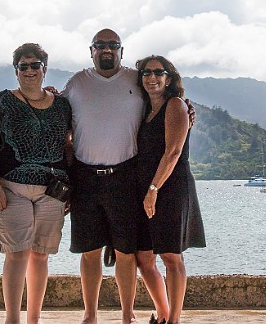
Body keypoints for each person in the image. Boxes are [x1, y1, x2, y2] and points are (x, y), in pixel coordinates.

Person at [62, 28, 193, 324]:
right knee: (92, 252)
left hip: (127, 179)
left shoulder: (133, 79)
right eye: (100, 45)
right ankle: (91, 316)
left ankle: (128, 317)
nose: (106, 49)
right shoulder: (77, 82)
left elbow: (167, 112)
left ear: (121, 50)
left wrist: (185, 107)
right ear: (91, 50)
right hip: (86, 177)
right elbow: (58, 115)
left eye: (112, 45)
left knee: (127, 253)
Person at [0, 43, 72, 324]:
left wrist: (73, 188)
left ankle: (34, 318)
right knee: (16, 253)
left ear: (45, 69)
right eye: (24, 66)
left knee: (41, 255)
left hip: (52, 190)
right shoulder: (1, 101)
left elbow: (69, 145)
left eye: (35, 65)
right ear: (16, 70)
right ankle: (12, 319)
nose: (30, 70)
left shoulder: (63, 105)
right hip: (10, 187)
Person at [134, 55, 206, 324]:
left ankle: (173, 320)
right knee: (144, 256)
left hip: (171, 187)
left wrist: (154, 188)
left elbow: (173, 151)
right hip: (146, 188)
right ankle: (163, 313)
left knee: (171, 256)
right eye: (146, 73)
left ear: (169, 78)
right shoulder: (143, 109)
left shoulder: (175, 105)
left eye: (158, 72)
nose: (152, 77)